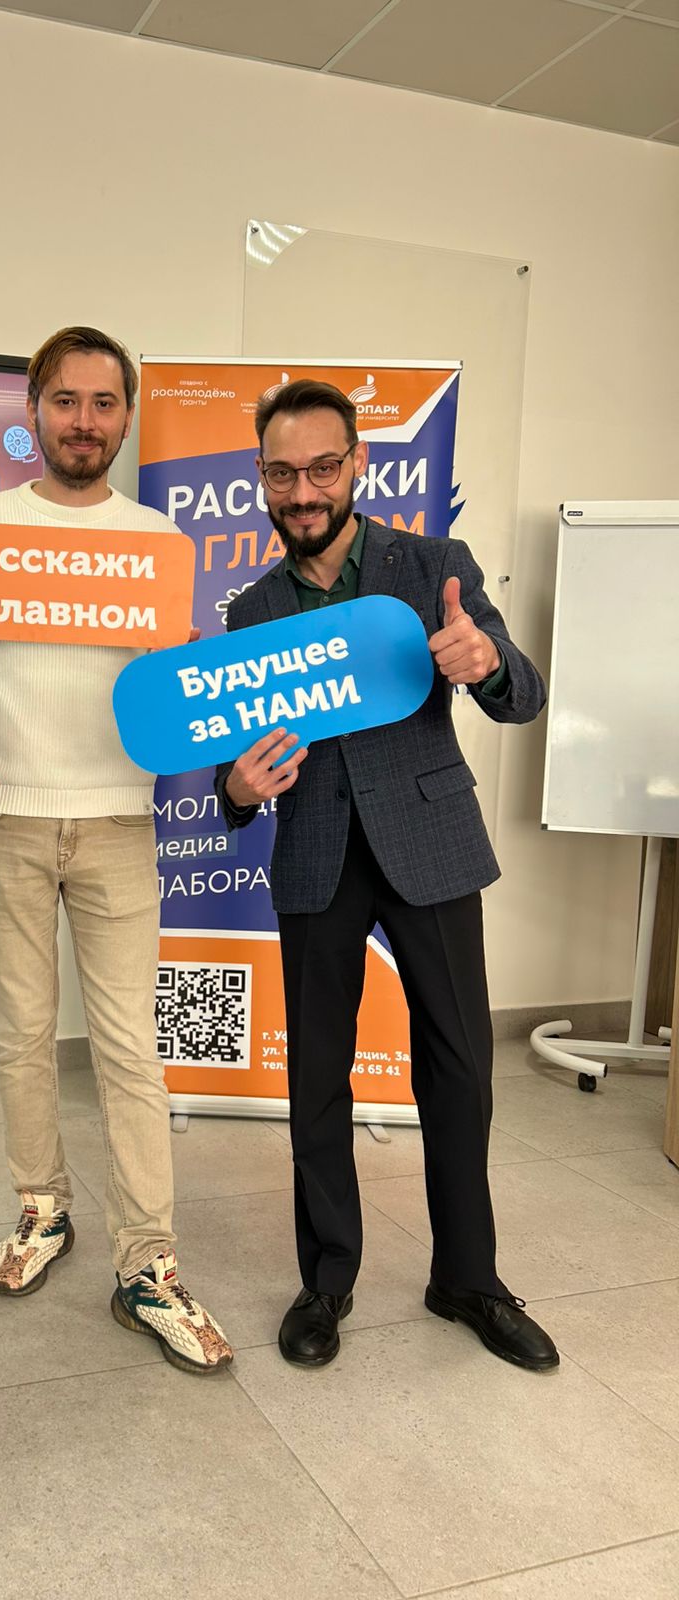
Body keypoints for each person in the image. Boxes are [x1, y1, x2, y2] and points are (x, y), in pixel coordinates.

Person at [0, 327, 232, 1375]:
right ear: (34, 410)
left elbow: (169, 695)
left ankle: (149, 1263)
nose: (85, 421)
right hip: (3, 816)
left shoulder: (156, 543)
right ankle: (43, 1208)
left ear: (126, 416)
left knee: (130, 1047)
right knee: (23, 1035)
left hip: (120, 819)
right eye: (66, 400)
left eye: (104, 402)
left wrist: (185, 667)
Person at [215, 378, 559, 1373]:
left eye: (323, 467)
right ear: (262, 479)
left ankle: (469, 1279)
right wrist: (237, 788)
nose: (304, 491)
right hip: (316, 856)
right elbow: (235, 765)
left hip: (430, 842)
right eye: (283, 473)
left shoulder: (435, 566)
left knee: (460, 1067)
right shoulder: (252, 609)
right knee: (316, 1078)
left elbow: (523, 695)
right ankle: (327, 1279)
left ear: (357, 464)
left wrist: (485, 659)